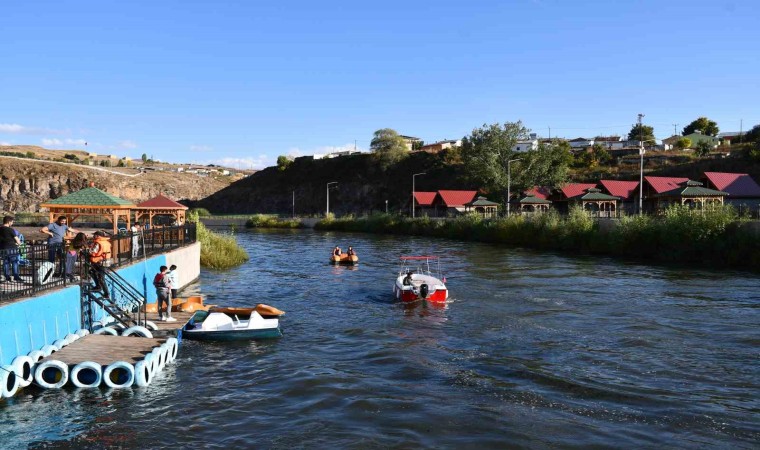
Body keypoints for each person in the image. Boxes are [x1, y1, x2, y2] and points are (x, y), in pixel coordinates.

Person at [88, 231, 111, 299]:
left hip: (99, 261)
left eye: (94, 235)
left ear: (98, 236)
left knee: (100, 277)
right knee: (94, 272)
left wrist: (88, 250)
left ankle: (106, 293)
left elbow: (93, 252)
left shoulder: (98, 243)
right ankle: (99, 287)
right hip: (106, 261)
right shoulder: (107, 242)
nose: (93, 237)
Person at [0, 216, 23, 283]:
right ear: (9, 222)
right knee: (14, 262)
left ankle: (7, 277)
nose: (12, 223)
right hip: (12, 248)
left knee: (5, 262)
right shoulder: (10, 230)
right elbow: (18, 241)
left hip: (3, 248)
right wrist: (18, 243)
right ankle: (16, 277)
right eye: (12, 222)